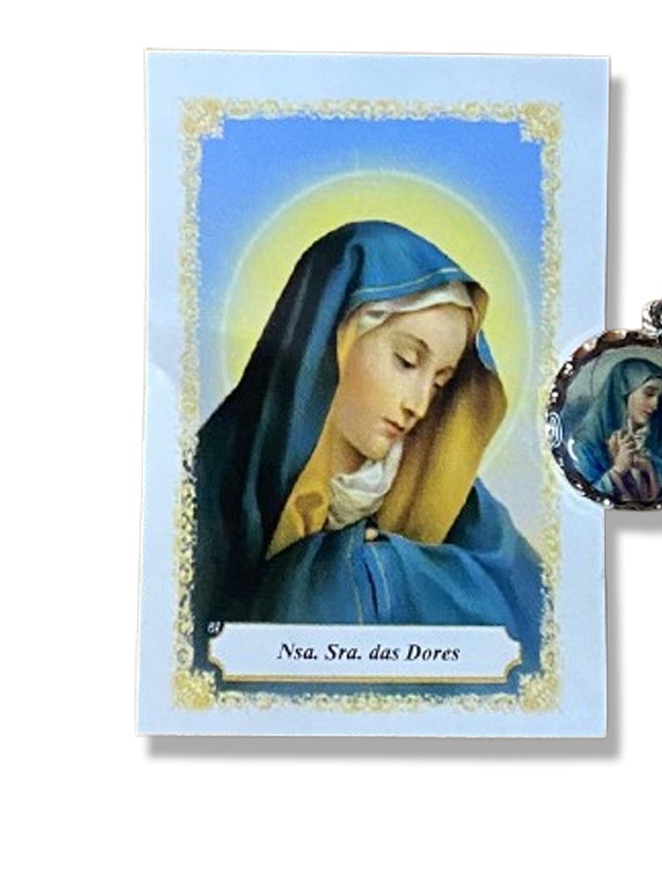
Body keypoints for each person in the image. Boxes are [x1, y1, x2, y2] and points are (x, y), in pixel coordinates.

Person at [191, 220, 543, 677]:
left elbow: (538, 622)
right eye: (407, 361)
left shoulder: (452, 498)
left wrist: (382, 565)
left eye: (439, 383)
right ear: (335, 337)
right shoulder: (208, 485)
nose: (419, 405)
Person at [569, 356, 662, 502]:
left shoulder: (657, 447)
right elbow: (581, 500)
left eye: (661, 397)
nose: (655, 405)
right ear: (624, 393)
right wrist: (618, 470)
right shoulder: (585, 446)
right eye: (649, 394)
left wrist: (650, 467)